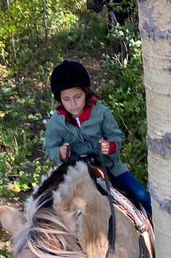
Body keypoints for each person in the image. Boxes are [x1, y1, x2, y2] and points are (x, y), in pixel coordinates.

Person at [43, 60, 152, 216]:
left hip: (110, 167)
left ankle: (157, 226)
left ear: (86, 92)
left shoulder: (102, 112)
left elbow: (116, 135)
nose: (73, 104)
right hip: (74, 172)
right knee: (46, 203)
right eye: (66, 99)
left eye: (77, 97)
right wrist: (59, 153)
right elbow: (50, 147)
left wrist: (110, 146)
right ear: (60, 99)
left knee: (143, 196)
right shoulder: (55, 122)